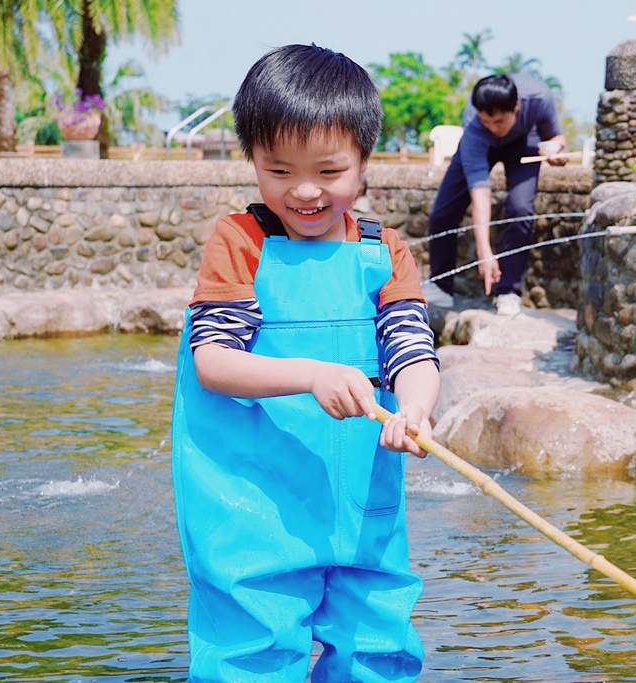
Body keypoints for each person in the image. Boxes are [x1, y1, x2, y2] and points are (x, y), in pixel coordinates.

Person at [170, 44, 439, 683]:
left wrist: (418, 410)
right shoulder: (239, 241)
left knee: (375, 641)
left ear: (364, 161)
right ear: (253, 161)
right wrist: (312, 374)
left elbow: (412, 350)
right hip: (249, 501)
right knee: (254, 645)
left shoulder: (386, 253)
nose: (306, 190)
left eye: (328, 170)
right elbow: (214, 362)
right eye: (279, 169)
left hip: (359, 492)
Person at [423, 73, 567, 316]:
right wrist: (484, 252)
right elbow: (480, 194)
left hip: (525, 143)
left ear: (517, 107)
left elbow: (556, 137)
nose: (494, 128)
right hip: (478, 147)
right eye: (487, 122)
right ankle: (440, 285)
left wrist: (559, 154)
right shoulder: (475, 126)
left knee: (521, 209)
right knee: (442, 213)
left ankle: (509, 292)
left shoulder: (539, 98)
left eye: (499, 121)